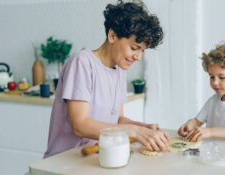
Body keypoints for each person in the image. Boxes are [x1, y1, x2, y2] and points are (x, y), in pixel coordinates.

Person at [44, 0, 170, 158]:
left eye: (142, 51)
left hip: (95, 159)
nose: (138, 56)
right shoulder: (82, 63)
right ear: (112, 35)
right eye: (134, 48)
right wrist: (135, 131)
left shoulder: (119, 70)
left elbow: (117, 121)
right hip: (63, 162)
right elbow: (79, 125)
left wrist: (144, 128)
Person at [178, 42, 225, 142]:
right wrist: (189, 125)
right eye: (211, 77)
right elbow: (197, 121)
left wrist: (210, 132)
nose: (215, 82)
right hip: (216, 153)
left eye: (222, 77)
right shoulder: (213, 101)